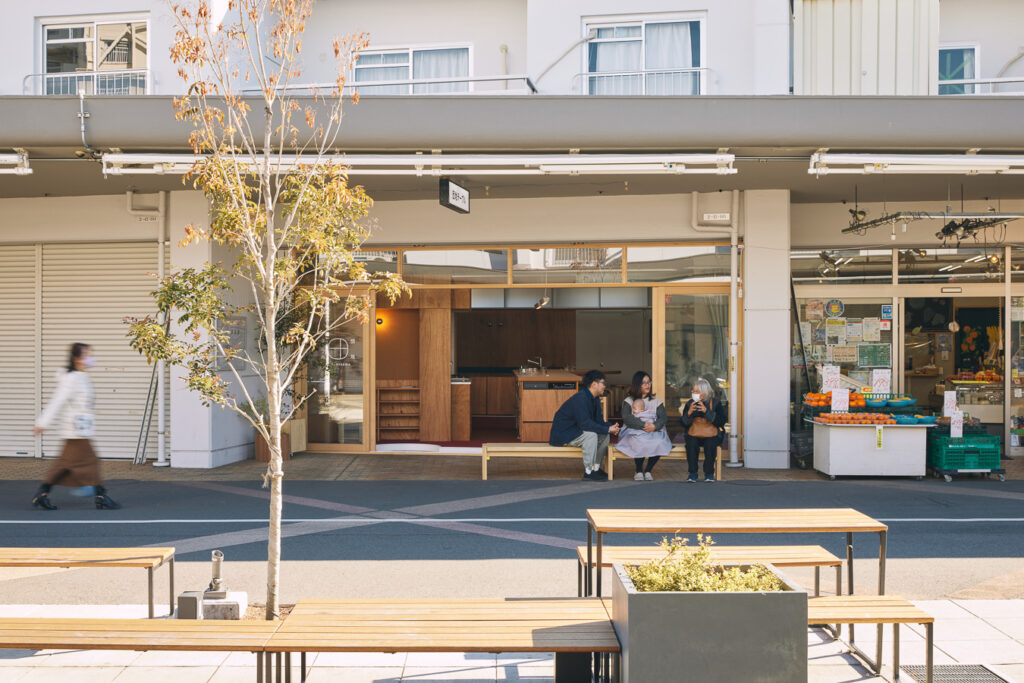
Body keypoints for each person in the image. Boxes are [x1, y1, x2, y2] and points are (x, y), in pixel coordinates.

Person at [31, 343, 120, 510]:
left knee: (64, 465)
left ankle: (42, 494)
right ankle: (101, 496)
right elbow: (58, 400)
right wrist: (42, 423)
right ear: (77, 358)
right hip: (75, 429)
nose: (90, 358)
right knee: (90, 461)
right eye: (86, 355)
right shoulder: (71, 378)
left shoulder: (82, 376)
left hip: (81, 428)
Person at [549, 369, 619, 481]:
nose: (605, 386)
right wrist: (607, 428)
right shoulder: (580, 398)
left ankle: (596, 469)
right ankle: (588, 472)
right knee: (591, 435)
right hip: (564, 434)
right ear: (594, 384)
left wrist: (611, 427)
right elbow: (585, 424)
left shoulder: (595, 398)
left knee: (604, 435)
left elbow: (599, 421)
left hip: (577, 431)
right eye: (603, 383)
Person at [617, 371, 671, 481]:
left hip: (654, 431)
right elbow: (627, 418)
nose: (648, 385)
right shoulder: (629, 401)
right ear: (637, 384)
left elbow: (663, 418)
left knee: (659, 442)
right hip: (634, 430)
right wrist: (644, 425)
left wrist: (654, 426)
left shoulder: (656, 401)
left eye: (649, 382)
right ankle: (638, 470)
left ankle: (648, 470)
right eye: (644, 383)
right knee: (639, 440)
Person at [679, 377, 726, 483]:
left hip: (711, 433)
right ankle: (692, 473)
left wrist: (706, 411)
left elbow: (721, 421)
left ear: (704, 393)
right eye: (693, 391)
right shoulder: (690, 403)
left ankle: (709, 473)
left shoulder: (715, 403)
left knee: (710, 444)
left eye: (697, 391)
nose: (693, 393)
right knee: (691, 444)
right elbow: (683, 424)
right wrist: (689, 413)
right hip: (694, 433)